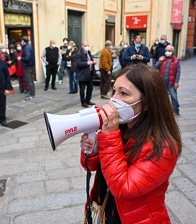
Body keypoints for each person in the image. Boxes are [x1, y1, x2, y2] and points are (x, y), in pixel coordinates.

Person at [80, 64, 182, 223]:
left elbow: (123, 188)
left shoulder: (163, 147)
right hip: (106, 212)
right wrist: (92, 152)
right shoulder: (121, 128)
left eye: (124, 94)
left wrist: (108, 137)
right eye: (114, 91)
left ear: (147, 103)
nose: (114, 100)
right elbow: (91, 167)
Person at [155, 45, 181, 116]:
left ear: (173, 52)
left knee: (174, 96)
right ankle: (162, 110)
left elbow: (178, 72)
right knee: (162, 96)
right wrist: (159, 61)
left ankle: (176, 110)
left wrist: (176, 82)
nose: (167, 52)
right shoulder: (163, 59)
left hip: (171, 82)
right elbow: (155, 67)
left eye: (169, 51)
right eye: (166, 51)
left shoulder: (176, 61)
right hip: (162, 82)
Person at [75, 40, 96, 108]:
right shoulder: (79, 54)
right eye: (85, 46)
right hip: (82, 74)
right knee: (82, 90)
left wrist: (93, 62)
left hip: (89, 73)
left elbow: (90, 60)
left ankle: (88, 100)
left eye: (88, 46)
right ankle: (83, 102)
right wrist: (87, 63)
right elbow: (78, 64)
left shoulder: (88, 53)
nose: (87, 47)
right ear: (82, 46)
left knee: (90, 88)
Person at [21, 36, 36, 101]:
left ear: (23, 41)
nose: (21, 42)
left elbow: (27, 58)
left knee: (29, 80)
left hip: (28, 66)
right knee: (31, 80)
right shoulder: (28, 46)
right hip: (30, 65)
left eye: (21, 41)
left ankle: (32, 94)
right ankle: (32, 92)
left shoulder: (26, 48)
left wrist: (20, 58)